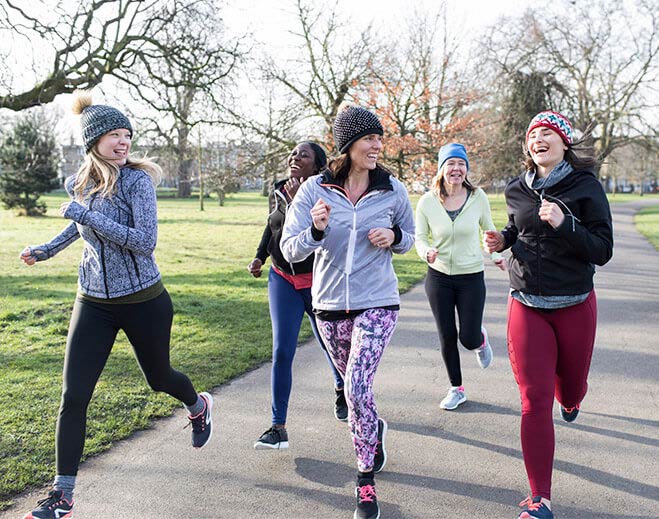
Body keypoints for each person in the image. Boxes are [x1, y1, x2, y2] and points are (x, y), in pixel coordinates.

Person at [18, 91, 214, 519]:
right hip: (93, 301)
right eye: (114, 135)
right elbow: (79, 228)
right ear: (94, 141)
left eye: (127, 134)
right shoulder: (80, 183)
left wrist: (86, 216)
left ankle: (198, 406)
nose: (123, 142)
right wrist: (47, 249)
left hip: (144, 300)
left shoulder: (138, 182)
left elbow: (144, 243)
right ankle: (62, 494)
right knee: (74, 396)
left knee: (159, 378)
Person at [280, 105, 415, 519]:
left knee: (356, 388)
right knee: (357, 392)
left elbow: (410, 238)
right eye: (369, 138)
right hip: (330, 306)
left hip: (378, 301)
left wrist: (393, 236)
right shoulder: (314, 192)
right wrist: (316, 231)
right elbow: (290, 250)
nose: (377, 145)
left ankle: (365, 484)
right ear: (348, 144)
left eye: (379, 139)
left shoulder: (393, 189)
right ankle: (373, 430)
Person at [483, 111, 613, 519]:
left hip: (574, 303)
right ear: (527, 147)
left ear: (564, 143)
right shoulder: (517, 188)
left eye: (547, 133)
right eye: (533, 135)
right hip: (526, 304)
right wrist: (502, 238)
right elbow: (517, 227)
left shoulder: (585, 186)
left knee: (569, 388)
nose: (539, 139)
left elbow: (602, 249)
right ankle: (540, 498)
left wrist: (565, 223)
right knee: (533, 400)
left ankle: (571, 398)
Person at [247, 141, 347, 450]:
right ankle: (278, 427)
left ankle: (343, 387)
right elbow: (273, 227)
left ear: (317, 165)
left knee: (330, 343)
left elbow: (320, 234)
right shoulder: (277, 189)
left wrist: (296, 204)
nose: (294, 157)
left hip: (317, 281)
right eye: (293, 153)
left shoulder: (327, 193)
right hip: (282, 279)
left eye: (303, 154)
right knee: (282, 350)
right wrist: (260, 256)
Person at [415, 143, 505, 411]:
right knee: (446, 335)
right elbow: (420, 237)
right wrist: (426, 252)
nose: (456, 169)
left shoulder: (478, 197)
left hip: (471, 276)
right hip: (439, 276)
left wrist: (496, 255)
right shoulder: (427, 201)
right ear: (441, 169)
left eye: (461, 164)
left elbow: (488, 231)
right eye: (451, 164)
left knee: (467, 337)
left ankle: (480, 340)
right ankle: (457, 389)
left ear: (466, 168)